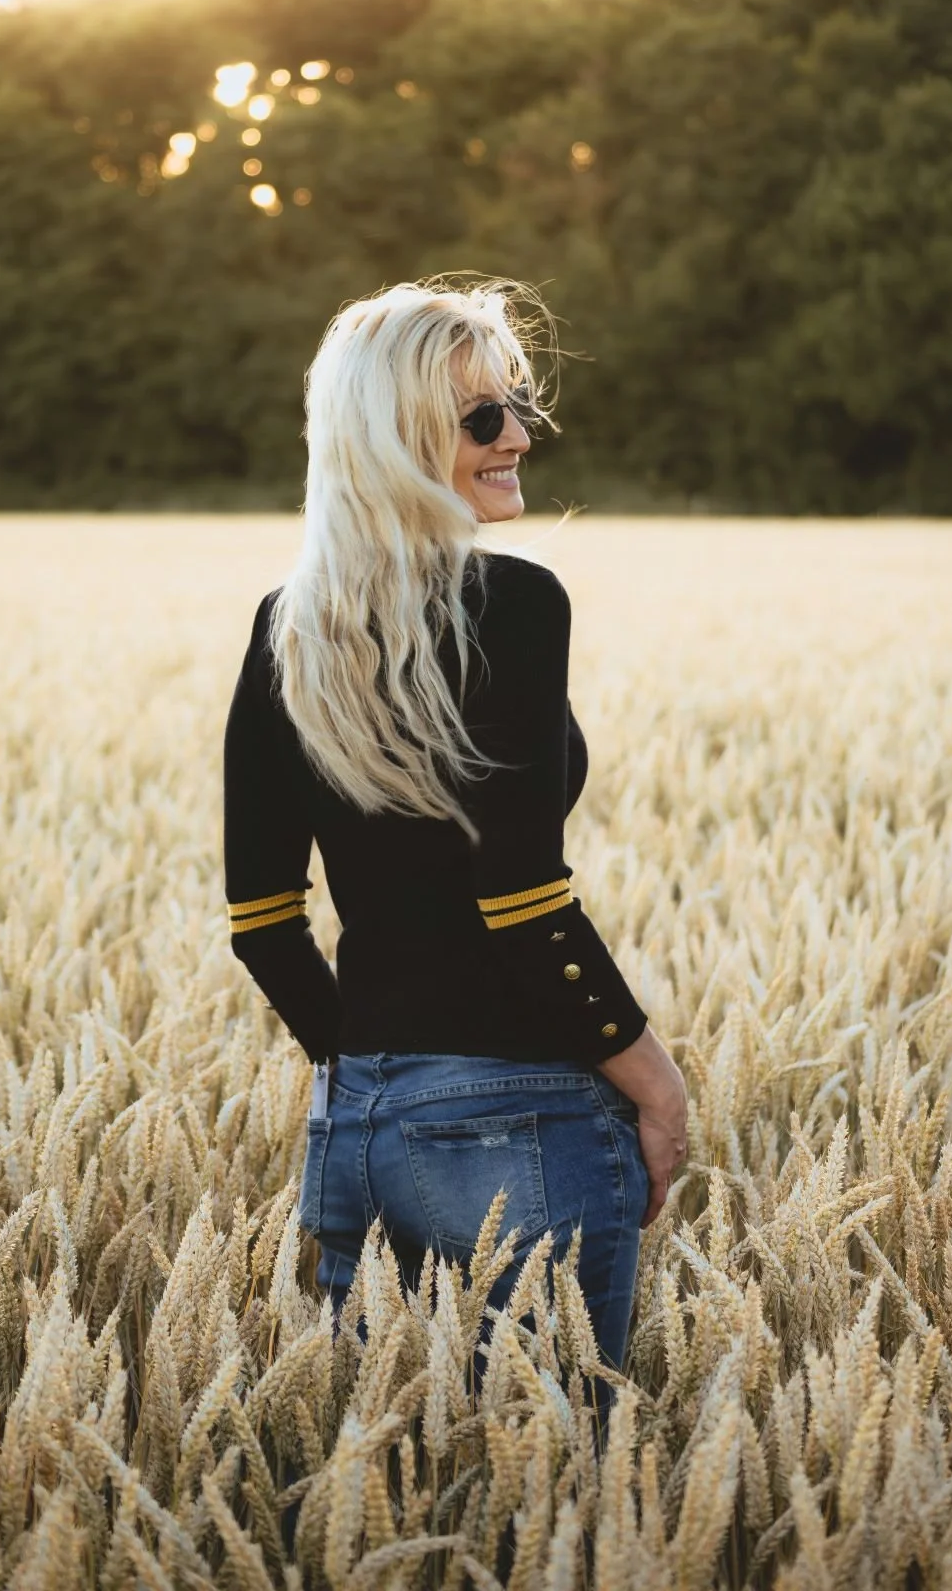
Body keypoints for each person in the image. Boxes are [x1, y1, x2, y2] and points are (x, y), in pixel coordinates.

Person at [221, 276, 689, 1437]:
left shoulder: (291, 624)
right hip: (521, 1120)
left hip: (356, 1130)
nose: (518, 435)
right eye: (482, 416)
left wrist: (375, 1068)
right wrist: (652, 1077)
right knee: (558, 1493)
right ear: (399, 436)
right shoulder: (517, 603)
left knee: (393, 1491)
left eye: (517, 405)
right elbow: (525, 898)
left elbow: (264, 921)